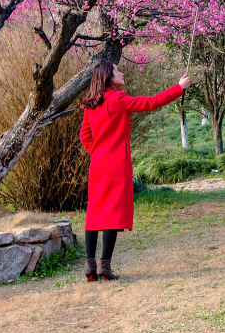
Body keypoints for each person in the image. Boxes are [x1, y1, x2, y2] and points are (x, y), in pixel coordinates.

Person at [79, 61, 191, 281]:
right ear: (108, 77)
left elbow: (85, 136)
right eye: (117, 71)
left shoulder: (90, 105)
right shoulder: (119, 99)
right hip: (116, 165)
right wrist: (179, 88)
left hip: (98, 165)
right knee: (111, 214)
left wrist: (98, 153)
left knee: (94, 213)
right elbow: (151, 103)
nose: (121, 73)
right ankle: (104, 267)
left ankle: (89, 266)